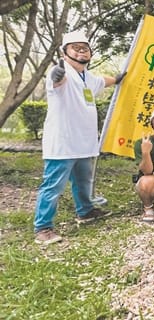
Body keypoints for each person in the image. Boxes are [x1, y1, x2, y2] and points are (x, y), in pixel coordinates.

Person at [33, 30, 125, 244]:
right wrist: (56, 76)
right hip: (63, 143)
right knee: (53, 186)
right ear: (64, 52)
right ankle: (43, 227)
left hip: (83, 143)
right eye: (75, 48)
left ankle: (85, 212)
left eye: (85, 48)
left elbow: (102, 81)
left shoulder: (88, 77)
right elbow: (56, 81)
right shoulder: (60, 72)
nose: (81, 52)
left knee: (84, 181)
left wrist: (118, 79)